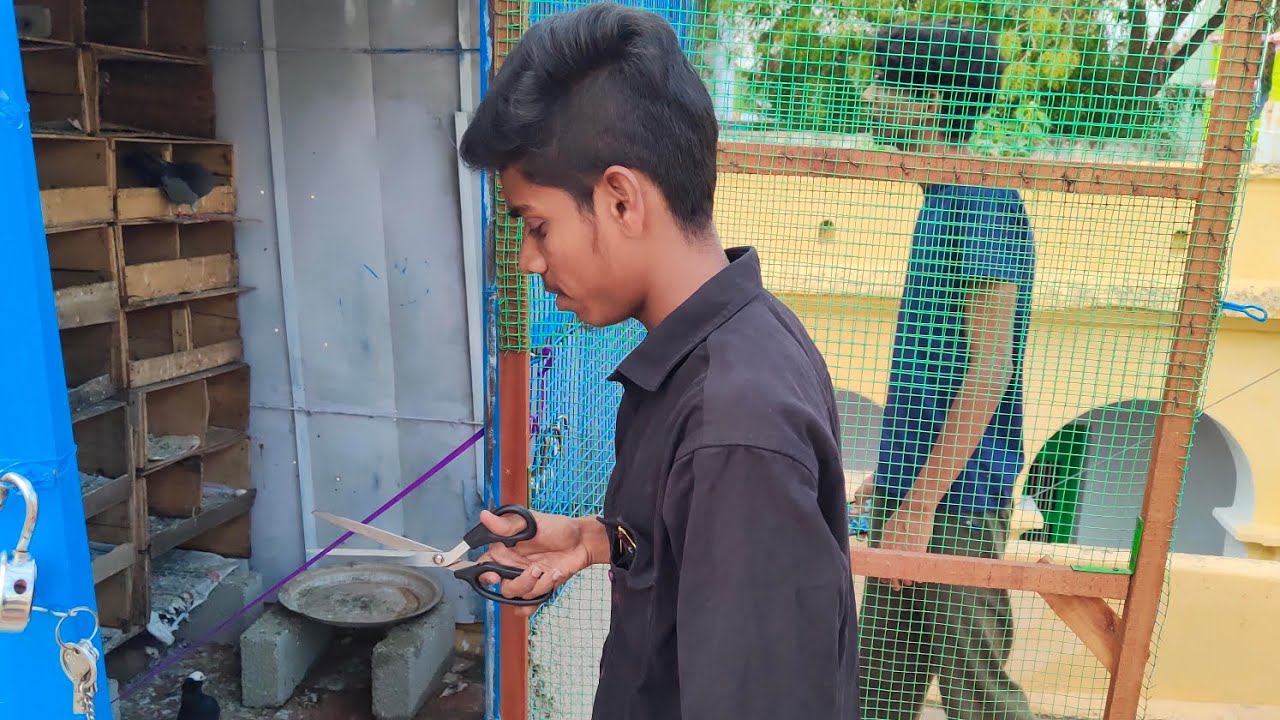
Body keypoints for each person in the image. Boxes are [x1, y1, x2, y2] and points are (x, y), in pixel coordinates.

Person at [457, 4, 860, 719]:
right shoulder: (730, 345)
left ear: (619, 199)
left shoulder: (735, 425)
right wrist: (598, 539)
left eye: (537, 225)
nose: (528, 261)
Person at [855, 19, 1039, 720]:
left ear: (929, 101)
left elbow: (989, 371)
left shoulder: (982, 200)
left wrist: (922, 504)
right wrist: (899, 477)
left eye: (883, 84)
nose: (869, 97)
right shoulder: (942, 201)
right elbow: (942, 366)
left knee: (979, 699)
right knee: (875, 693)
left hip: (954, 505)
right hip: (918, 492)